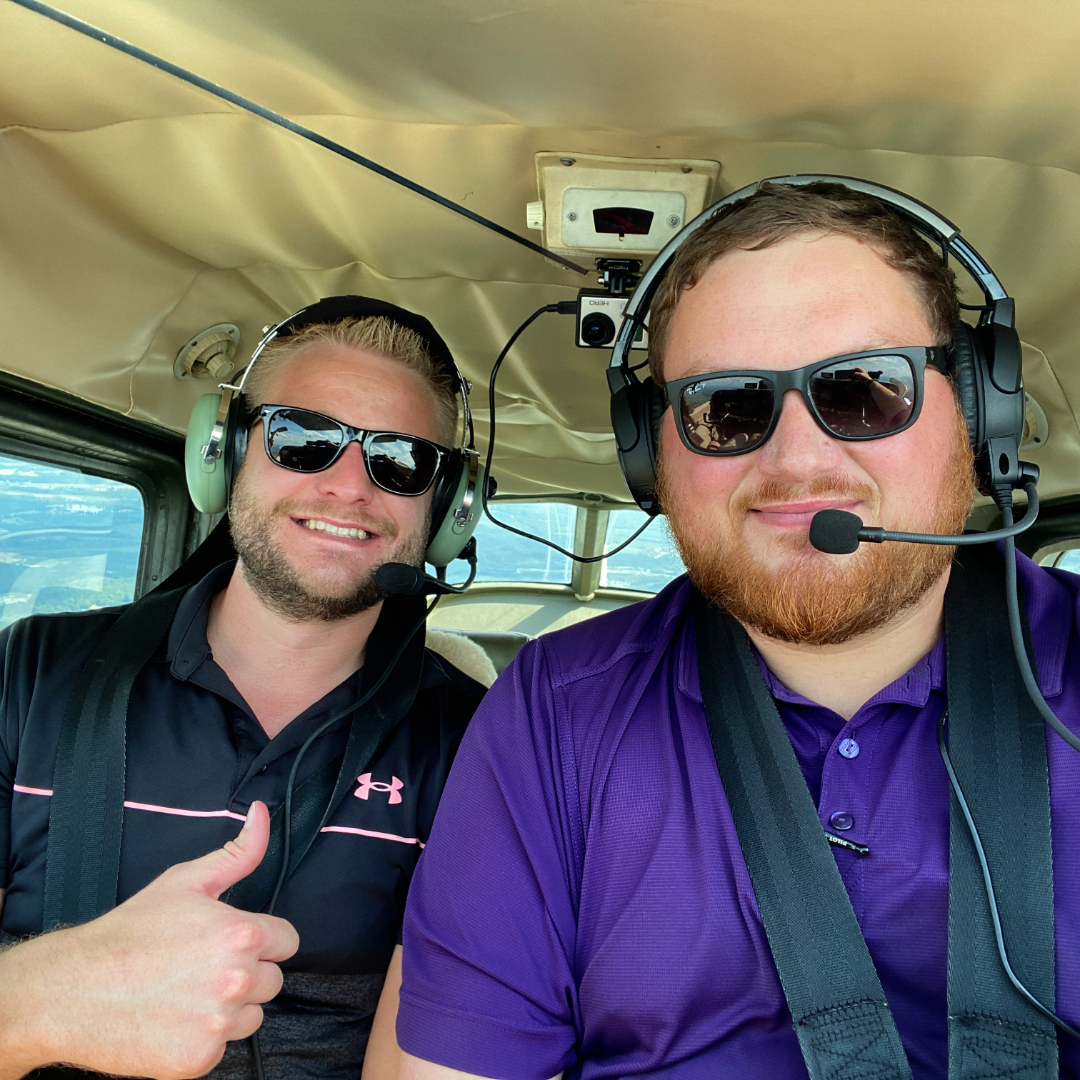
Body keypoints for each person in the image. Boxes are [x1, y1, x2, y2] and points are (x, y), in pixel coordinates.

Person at [392, 182, 1080, 1079]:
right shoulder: (556, 712)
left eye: (865, 389)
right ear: (653, 454)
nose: (796, 459)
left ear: (977, 412)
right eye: (729, 407)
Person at [0, 299, 494, 1079]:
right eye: (303, 439)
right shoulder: (32, 673)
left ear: (444, 509)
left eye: (399, 462)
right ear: (224, 452)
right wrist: (41, 1000)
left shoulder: (476, 745)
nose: (347, 487)